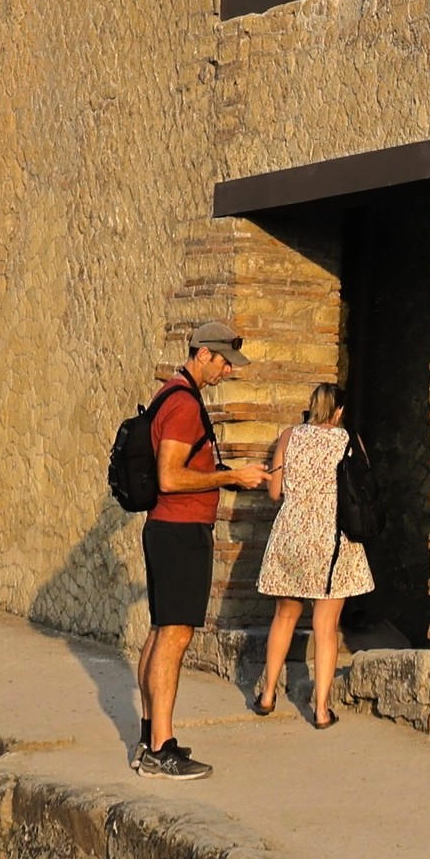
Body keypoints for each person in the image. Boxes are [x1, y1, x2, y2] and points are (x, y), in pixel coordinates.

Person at [137, 331, 263, 777]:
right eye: (224, 362)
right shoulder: (184, 404)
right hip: (180, 529)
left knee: (160, 634)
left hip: (168, 529)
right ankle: (160, 749)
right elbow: (170, 477)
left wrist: (228, 473)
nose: (228, 370)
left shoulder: (172, 393)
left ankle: (150, 738)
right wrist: (230, 480)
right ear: (203, 354)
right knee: (174, 637)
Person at [254, 382, 371, 730]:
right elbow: (364, 488)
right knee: (326, 626)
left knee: (284, 616)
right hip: (333, 538)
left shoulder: (289, 436)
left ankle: (267, 694)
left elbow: (274, 492)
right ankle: (320, 710)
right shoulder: (348, 441)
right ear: (338, 412)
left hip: (291, 535)